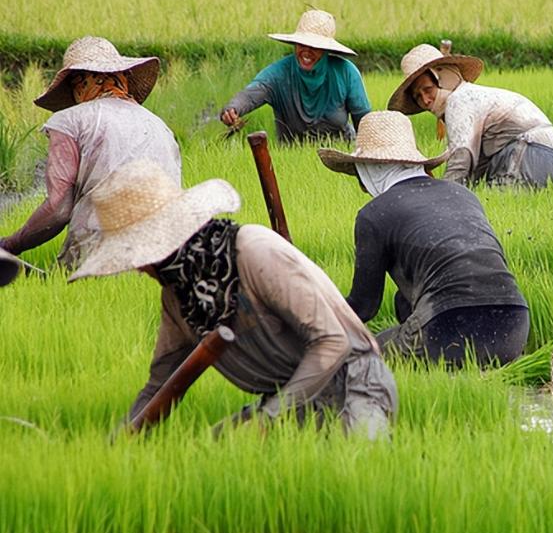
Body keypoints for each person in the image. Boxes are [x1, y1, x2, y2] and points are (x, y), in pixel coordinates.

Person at [69, 160, 396, 439]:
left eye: (139, 255)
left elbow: (332, 342)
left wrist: (268, 418)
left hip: (355, 383)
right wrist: (122, 440)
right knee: (211, 452)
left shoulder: (254, 251)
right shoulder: (179, 294)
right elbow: (162, 383)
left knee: (359, 459)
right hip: (285, 399)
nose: (139, 268)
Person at [318, 111, 530, 366]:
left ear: (370, 169)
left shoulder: (373, 214)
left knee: (359, 359)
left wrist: (315, 321)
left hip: (447, 330)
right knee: (403, 301)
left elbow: (364, 307)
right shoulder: (463, 195)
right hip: (514, 327)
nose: (362, 185)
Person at [0, 36, 181, 270]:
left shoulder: (69, 120)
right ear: (121, 77)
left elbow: (58, 210)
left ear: (79, 84)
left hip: (99, 257)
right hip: (166, 257)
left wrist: (10, 244)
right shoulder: (160, 126)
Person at [387, 44, 553, 191]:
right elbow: (475, 167)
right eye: (418, 97)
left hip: (529, 154)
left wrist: (443, 198)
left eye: (428, 90)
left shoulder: (459, 100)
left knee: (500, 211)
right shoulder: (473, 97)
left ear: (443, 77)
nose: (425, 100)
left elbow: (462, 157)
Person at [220, 9, 370, 144]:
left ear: (325, 50)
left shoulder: (345, 72)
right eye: (301, 44)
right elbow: (252, 94)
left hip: (338, 154)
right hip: (291, 154)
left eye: (314, 46)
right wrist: (233, 109)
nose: (306, 51)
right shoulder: (279, 74)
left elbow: (364, 122)